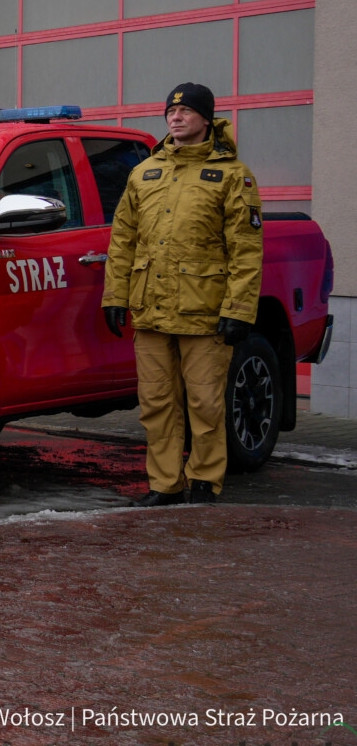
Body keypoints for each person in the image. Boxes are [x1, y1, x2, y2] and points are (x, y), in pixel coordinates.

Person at [103, 83, 263, 507]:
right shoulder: (145, 172)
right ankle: (165, 484)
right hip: (151, 311)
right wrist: (115, 296)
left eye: (186, 111)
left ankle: (205, 481)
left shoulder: (232, 175)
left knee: (206, 403)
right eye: (170, 112)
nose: (175, 117)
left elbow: (246, 250)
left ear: (206, 119)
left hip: (204, 312)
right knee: (156, 404)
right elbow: (123, 240)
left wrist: (240, 309)